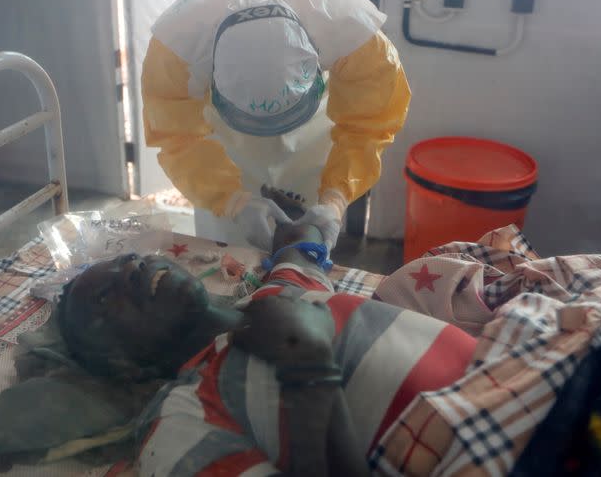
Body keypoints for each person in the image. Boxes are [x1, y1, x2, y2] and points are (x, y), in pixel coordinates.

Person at [59, 189, 475, 476]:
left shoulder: (277, 293)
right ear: (124, 366)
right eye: (103, 298)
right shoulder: (181, 420)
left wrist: (305, 213)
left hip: (521, 369)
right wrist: (309, 370)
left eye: (128, 259)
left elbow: (298, 245)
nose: (130, 268)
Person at [141, 0, 411, 252]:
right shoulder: (176, 47)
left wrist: (334, 200)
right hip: (225, 150)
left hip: (313, 144)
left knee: (306, 241)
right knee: (225, 252)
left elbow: (369, 125)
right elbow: (177, 138)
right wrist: (231, 201)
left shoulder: (352, 31)